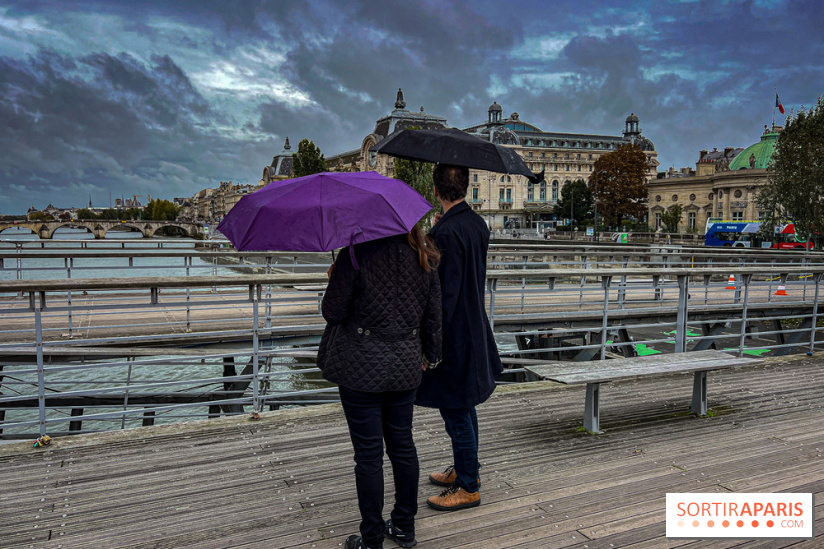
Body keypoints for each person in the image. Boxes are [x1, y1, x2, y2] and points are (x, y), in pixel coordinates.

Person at [317, 226, 442, 549]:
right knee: (402, 446)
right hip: (404, 364)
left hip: (360, 367)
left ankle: (372, 538)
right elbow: (433, 316)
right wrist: (432, 354)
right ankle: (403, 526)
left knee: (369, 456)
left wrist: (336, 278)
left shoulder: (356, 253)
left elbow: (333, 312)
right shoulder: (423, 254)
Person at [416, 164, 503, 512]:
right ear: (467, 187)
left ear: (436, 191)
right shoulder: (476, 224)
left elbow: (443, 295)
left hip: (454, 334)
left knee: (455, 410)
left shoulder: (447, 232)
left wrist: (430, 344)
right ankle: (468, 471)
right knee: (464, 406)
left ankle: (468, 486)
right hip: (474, 326)